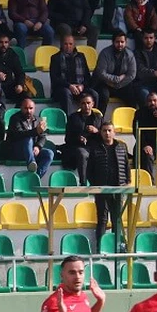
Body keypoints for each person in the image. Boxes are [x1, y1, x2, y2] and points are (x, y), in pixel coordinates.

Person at [88, 121, 129, 252]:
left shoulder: (122, 147)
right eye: (104, 130)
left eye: (109, 130)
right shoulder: (95, 148)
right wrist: (96, 185)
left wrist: (127, 181)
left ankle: (117, 247)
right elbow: (90, 170)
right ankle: (100, 248)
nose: (107, 133)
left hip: (118, 188)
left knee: (117, 220)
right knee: (102, 219)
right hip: (101, 189)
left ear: (114, 132)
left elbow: (126, 165)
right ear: (100, 132)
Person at [92, 30, 139, 114]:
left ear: (126, 42)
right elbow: (101, 73)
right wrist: (116, 79)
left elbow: (132, 74)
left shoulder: (130, 54)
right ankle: (99, 119)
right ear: (113, 42)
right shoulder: (105, 53)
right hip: (105, 84)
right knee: (103, 96)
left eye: (122, 42)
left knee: (132, 95)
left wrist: (118, 84)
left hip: (122, 85)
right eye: (117, 42)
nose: (120, 44)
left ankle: (132, 119)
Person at [6, 96, 53, 177]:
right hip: (17, 151)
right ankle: (31, 163)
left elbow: (43, 136)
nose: (28, 111)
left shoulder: (38, 119)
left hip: (32, 150)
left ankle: (36, 176)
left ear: (34, 109)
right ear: (21, 108)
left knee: (49, 153)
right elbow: (19, 134)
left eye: (31, 108)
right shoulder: (15, 119)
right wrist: (36, 131)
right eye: (26, 108)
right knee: (28, 139)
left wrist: (38, 147)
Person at [50, 33, 96, 115]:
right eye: (66, 44)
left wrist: (82, 86)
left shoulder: (81, 56)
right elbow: (55, 78)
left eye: (70, 44)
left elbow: (87, 77)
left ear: (74, 44)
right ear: (61, 44)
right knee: (66, 93)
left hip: (80, 88)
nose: (68, 46)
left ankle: (94, 118)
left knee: (94, 94)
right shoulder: (55, 58)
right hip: (63, 88)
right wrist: (69, 86)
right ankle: (69, 120)